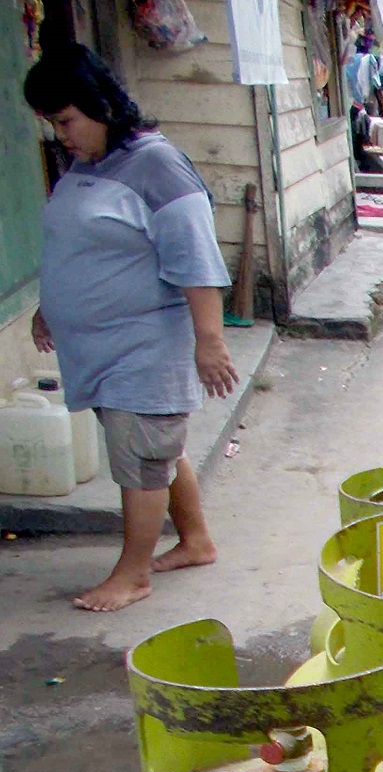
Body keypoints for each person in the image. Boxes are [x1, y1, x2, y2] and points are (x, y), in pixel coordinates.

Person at [23, 42, 239, 612]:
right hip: (102, 347)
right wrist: (53, 304)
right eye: (53, 124)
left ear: (100, 104)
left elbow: (197, 260)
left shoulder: (157, 165)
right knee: (151, 448)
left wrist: (209, 342)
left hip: (145, 345)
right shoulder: (89, 162)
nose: (61, 134)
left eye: (66, 120)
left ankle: (134, 573)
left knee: (142, 458)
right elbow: (75, 242)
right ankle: (195, 542)